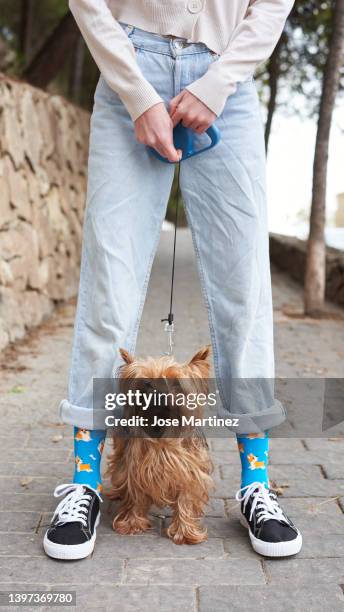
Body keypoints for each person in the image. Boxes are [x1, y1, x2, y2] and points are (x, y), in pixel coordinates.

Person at [43, 0, 302, 561]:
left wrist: (217, 84)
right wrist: (137, 94)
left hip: (226, 76)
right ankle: (85, 482)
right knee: (108, 285)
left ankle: (255, 482)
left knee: (245, 292)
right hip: (128, 65)